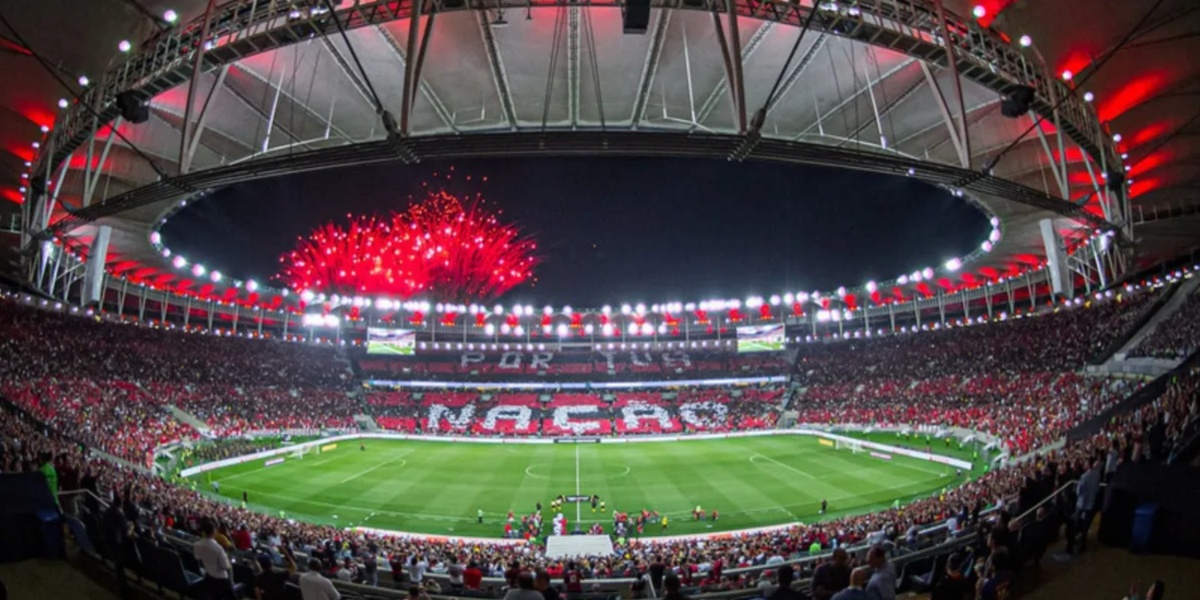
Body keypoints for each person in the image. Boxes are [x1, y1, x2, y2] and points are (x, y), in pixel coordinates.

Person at [194, 519, 236, 600]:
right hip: (221, 580)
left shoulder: (197, 545)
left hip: (208, 577)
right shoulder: (218, 548)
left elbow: (197, 558)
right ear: (213, 531)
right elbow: (226, 566)